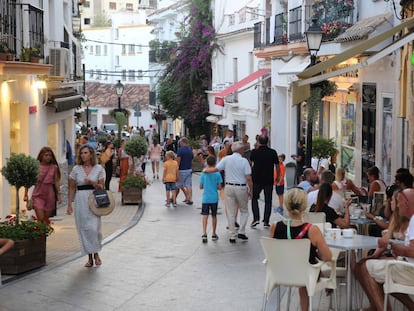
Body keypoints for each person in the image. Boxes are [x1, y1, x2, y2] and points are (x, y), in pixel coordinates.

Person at [270, 187, 332, 311]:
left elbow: (272, 252)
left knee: (302, 268)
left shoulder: (275, 227)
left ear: (286, 206)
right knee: (308, 267)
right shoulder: (312, 230)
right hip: (306, 274)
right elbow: (328, 257)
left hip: (281, 273)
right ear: (304, 207)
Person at [353, 188, 414, 310]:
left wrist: (394, 247)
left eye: (398, 201)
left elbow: (412, 251)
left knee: (363, 268)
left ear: (406, 203)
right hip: (405, 265)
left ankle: (381, 308)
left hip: (409, 270)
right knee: (369, 267)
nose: (396, 205)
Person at [67, 144, 106, 268]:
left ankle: (96, 254)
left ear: (91, 154)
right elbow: (72, 188)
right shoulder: (76, 169)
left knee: (94, 229)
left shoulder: (98, 168)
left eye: (86, 153)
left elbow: (102, 187)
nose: (83, 155)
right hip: (81, 200)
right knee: (84, 229)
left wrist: (93, 182)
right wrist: (69, 204)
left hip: (94, 199)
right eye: (82, 153)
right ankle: (89, 257)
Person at [216, 141, 252, 243]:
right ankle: (242, 231)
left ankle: (232, 235)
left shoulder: (226, 159)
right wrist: (251, 190)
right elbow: (248, 177)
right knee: (244, 210)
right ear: (241, 150)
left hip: (229, 186)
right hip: (241, 187)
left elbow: (217, 169)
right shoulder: (244, 161)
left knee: (231, 211)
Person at [250, 135, 280, 228]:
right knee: (268, 200)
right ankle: (266, 221)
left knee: (254, 198)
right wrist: (278, 177)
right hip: (268, 179)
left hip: (257, 179)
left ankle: (256, 218)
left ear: (258, 141)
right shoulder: (272, 152)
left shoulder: (254, 152)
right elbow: (277, 166)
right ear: (268, 142)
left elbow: (250, 164)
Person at [30, 147, 62, 223]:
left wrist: (59, 194)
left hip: (49, 194)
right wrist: (25, 194)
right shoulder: (36, 166)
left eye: (50, 155)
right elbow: (29, 180)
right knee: (40, 217)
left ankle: (43, 234)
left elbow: (56, 181)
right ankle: (40, 232)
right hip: (38, 194)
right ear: (41, 156)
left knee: (45, 219)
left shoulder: (54, 167)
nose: (48, 157)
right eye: (46, 155)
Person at [199, 156, 222, 243]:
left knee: (205, 215)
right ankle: (213, 233)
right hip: (214, 198)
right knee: (214, 215)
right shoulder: (217, 174)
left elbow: (201, 187)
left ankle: (204, 233)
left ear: (207, 163)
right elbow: (220, 187)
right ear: (215, 163)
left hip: (206, 198)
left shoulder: (203, 173)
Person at [175, 137, 194, 205]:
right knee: (188, 185)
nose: (179, 144)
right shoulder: (190, 150)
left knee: (177, 185)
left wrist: (176, 169)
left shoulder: (180, 150)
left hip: (181, 170)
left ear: (183, 142)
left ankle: (173, 198)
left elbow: (178, 161)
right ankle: (189, 198)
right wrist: (191, 168)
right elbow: (192, 161)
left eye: (180, 142)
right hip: (189, 169)